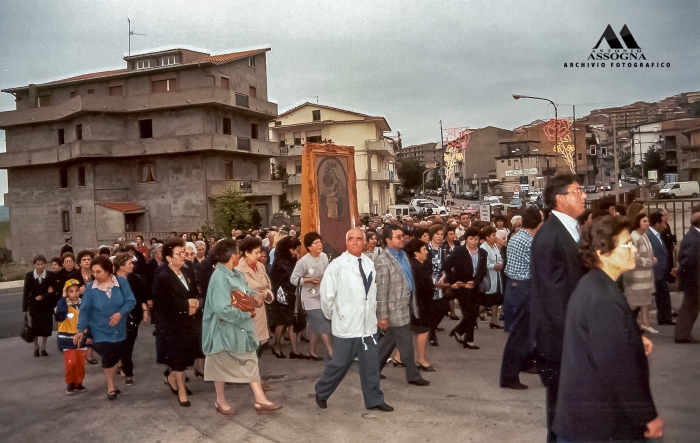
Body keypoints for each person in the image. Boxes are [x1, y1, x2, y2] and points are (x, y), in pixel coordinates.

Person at [553, 215, 663, 441]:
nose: (633, 249)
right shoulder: (603, 297)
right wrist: (646, 415)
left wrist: (632, 339)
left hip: (585, 417)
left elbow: (600, 339)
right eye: (627, 244)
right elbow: (619, 368)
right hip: (599, 424)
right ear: (603, 253)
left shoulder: (594, 283)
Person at [529, 174, 587, 442]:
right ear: (560, 199)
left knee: (570, 409)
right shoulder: (550, 236)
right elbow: (554, 298)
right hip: (560, 340)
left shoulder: (571, 230)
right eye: (578, 191)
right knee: (561, 412)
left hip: (569, 338)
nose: (584, 195)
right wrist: (578, 339)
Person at [315, 228, 393, 412]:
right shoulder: (337, 266)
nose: (356, 242)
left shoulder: (369, 263)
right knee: (340, 362)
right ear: (346, 242)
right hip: (346, 324)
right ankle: (322, 390)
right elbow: (327, 298)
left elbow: (373, 293)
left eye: (359, 239)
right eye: (352, 239)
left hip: (367, 324)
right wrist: (339, 315)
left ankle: (374, 399)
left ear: (365, 243)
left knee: (371, 364)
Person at [201, 239, 282, 415]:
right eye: (238, 252)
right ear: (232, 256)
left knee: (250, 358)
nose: (240, 255)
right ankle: (220, 400)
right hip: (224, 329)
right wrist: (246, 314)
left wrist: (255, 297)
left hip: (239, 327)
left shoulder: (234, 273)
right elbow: (222, 309)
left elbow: (247, 290)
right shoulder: (219, 277)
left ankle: (260, 399)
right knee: (219, 365)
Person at [74, 255, 136, 400]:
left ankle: (111, 382)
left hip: (119, 328)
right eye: (93, 272)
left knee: (114, 357)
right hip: (100, 329)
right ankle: (110, 386)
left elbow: (130, 301)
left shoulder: (120, 282)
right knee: (108, 357)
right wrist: (80, 330)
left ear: (108, 270)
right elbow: (84, 310)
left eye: (98, 272)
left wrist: (120, 314)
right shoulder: (90, 288)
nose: (95, 275)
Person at [375, 226, 429, 386]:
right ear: (388, 240)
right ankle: (413, 375)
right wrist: (382, 315)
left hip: (406, 303)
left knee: (388, 342)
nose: (402, 239)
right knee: (405, 343)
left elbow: (407, 279)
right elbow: (381, 290)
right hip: (393, 309)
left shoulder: (403, 255)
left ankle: (371, 369)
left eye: (402, 236)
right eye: (398, 237)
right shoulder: (382, 260)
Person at [152, 238, 201, 407]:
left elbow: (193, 292)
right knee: (178, 359)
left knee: (188, 355)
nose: (183, 256)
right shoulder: (163, 276)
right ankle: (181, 389)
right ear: (168, 258)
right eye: (179, 254)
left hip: (188, 320)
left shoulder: (187, 271)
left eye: (184, 253)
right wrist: (186, 304)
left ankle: (172, 377)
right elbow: (163, 303)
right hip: (171, 324)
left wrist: (195, 302)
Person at [499, 207, 542, 390]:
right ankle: (509, 376)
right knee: (520, 333)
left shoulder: (517, 236)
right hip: (524, 286)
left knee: (523, 331)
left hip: (515, 285)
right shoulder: (530, 241)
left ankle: (524, 362)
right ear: (538, 223)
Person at [291, 232, 332, 360]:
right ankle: (332, 353)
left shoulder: (324, 257)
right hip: (308, 298)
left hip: (322, 295)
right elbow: (293, 279)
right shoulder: (303, 262)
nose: (319, 245)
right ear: (309, 246)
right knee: (323, 324)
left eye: (320, 242)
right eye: (316, 243)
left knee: (315, 326)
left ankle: (311, 351)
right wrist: (308, 280)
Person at [445, 227, 487, 349]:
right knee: (469, 313)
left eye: (476, 239)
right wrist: (454, 280)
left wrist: (474, 281)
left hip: (475, 286)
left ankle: (462, 334)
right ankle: (466, 338)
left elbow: (482, 271)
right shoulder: (459, 251)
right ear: (466, 239)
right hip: (462, 287)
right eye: (470, 239)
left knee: (474, 312)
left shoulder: (483, 253)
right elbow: (447, 265)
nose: (473, 242)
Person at [113, 253, 149, 385]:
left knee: (128, 345)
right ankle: (122, 366)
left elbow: (141, 296)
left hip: (133, 316)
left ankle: (127, 370)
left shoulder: (135, 278)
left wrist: (145, 310)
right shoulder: (111, 280)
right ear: (121, 266)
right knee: (118, 344)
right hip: (115, 317)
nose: (132, 266)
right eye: (129, 263)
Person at [268, 236, 306, 358]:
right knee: (282, 321)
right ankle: (276, 345)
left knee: (292, 321)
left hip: (291, 293)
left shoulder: (291, 260)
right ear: (287, 249)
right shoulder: (281, 263)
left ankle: (294, 349)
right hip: (282, 295)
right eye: (294, 249)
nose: (296, 251)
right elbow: (280, 280)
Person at [403, 238, 436, 371]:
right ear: (416, 253)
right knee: (422, 330)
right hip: (420, 304)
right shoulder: (418, 267)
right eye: (424, 250)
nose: (427, 252)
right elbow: (424, 288)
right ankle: (421, 359)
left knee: (407, 331)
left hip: (414, 303)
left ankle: (398, 357)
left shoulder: (411, 265)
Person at [623, 213, 658, 334]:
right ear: (638, 222)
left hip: (646, 276)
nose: (647, 223)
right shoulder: (634, 237)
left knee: (645, 300)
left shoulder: (644, 235)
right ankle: (622, 322)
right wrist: (649, 262)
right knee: (634, 302)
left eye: (648, 221)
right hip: (636, 277)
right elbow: (634, 257)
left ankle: (645, 323)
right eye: (644, 221)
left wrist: (652, 260)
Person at [54, 279, 90, 394]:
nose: (74, 293)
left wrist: (89, 335)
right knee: (71, 363)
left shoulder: (83, 304)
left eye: (76, 290)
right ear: (67, 292)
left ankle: (79, 383)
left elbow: (90, 321)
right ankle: (70, 383)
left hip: (81, 339)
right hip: (67, 340)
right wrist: (63, 297)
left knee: (80, 364)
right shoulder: (61, 305)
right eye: (71, 291)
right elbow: (60, 316)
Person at [22, 255, 59, 357]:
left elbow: (54, 290)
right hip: (34, 306)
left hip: (46, 305)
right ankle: (36, 347)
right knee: (35, 327)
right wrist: (25, 308)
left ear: (45, 264)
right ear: (34, 264)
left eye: (42, 264)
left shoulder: (50, 275)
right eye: (38, 264)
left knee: (46, 327)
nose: (40, 266)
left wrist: (44, 296)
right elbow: (26, 292)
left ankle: (43, 347)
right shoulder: (29, 276)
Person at [674, 204, 700, 343]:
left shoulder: (693, 235)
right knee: (689, 307)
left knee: (690, 307)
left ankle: (682, 334)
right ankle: (682, 335)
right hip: (693, 280)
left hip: (692, 279)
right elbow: (689, 261)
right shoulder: (694, 239)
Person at [648, 211, 675, 326]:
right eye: (663, 223)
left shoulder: (658, 234)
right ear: (657, 223)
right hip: (655, 270)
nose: (665, 226)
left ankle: (665, 317)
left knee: (664, 294)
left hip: (662, 271)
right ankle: (664, 317)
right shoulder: (649, 235)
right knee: (656, 295)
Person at [480, 226, 504, 329]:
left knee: (495, 299)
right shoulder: (483, 248)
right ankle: (472, 316)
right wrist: (495, 266)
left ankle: (494, 321)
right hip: (488, 278)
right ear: (487, 237)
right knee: (487, 301)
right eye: (493, 235)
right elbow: (484, 264)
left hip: (497, 276)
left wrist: (500, 264)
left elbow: (500, 258)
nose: (495, 237)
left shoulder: (494, 246)